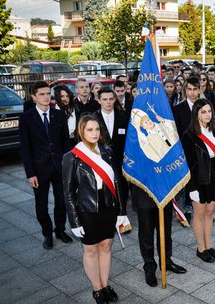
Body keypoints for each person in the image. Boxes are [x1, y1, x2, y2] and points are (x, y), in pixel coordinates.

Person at [62, 114, 129, 304]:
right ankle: (97, 288)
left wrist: (122, 212)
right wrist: (74, 221)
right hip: (86, 209)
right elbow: (67, 193)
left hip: (108, 205)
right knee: (91, 250)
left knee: (106, 246)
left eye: (97, 129)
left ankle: (105, 284)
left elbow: (116, 182)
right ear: (81, 131)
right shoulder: (72, 157)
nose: (94, 133)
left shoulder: (107, 151)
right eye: (89, 130)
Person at [19, 81, 73, 250]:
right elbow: (25, 149)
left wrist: (68, 166)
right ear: (34, 97)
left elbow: (66, 144)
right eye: (41, 94)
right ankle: (47, 234)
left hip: (59, 167)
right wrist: (30, 173)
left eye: (48, 94)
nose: (45, 97)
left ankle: (60, 230)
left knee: (62, 202)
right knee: (41, 205)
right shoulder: (26, 118)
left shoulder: (59, 115)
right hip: (39, 169)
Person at [181, 99, 215, 263]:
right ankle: (201, 248)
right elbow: (188, 164)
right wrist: (192, 187)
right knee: (199, 214)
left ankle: (209, 246)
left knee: (210, 212)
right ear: (196, 114)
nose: (208, 115)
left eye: (209, 111)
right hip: (198, 179)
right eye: (204, 112)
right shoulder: (189, 135)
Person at [173, 76, 201, 221]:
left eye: (195, 89)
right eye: (189, 89)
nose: (192, 93)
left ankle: (202, 207)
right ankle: (188, 207)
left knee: (203, 179)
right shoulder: (178, 109)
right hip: (186, 150)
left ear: (199, 90)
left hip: (202, 150)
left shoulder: (205, 106)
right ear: (185, 90)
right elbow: (176, 132)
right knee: (189, 181)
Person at [94, 88, 129, 203]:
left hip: (120, 163)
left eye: (110, 99)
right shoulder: (93, 119)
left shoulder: (123, 117)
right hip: (101, 162)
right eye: (104, 99)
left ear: (114, 100)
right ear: (99, 100)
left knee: (122, 194)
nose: (108, 102)